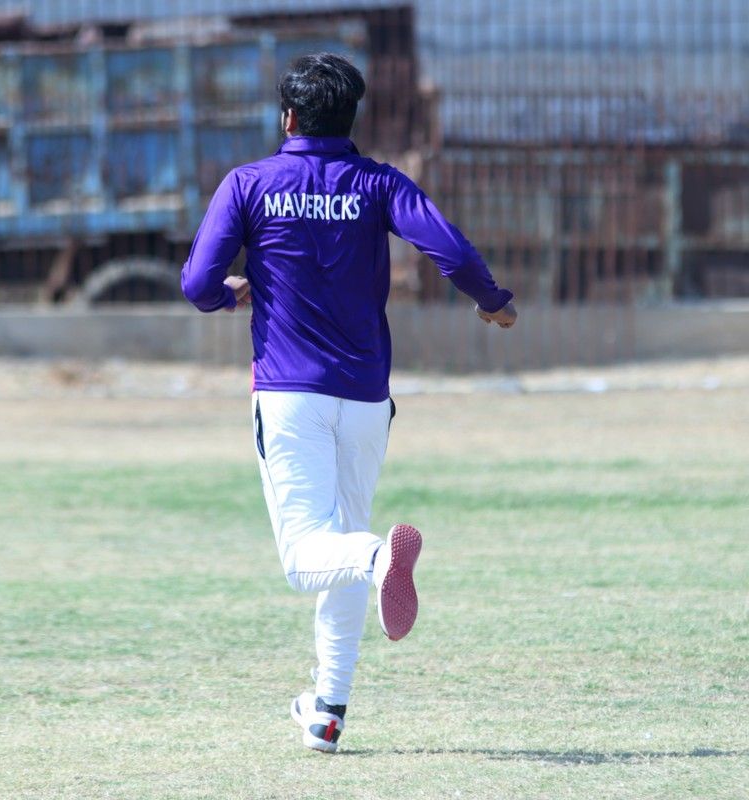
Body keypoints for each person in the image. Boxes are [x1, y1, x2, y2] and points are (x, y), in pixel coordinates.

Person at [180, 52, 517, 753]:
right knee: (341, 543)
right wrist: (492, 301)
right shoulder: (378, 182)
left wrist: (226, 296)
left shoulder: (250, 183)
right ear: (349, 117)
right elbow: (451, 251)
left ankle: (378, 559)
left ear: (288, 118)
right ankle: (327, 711)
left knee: (312, 556)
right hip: (365, 398)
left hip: (289, 395)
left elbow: (197, 283)